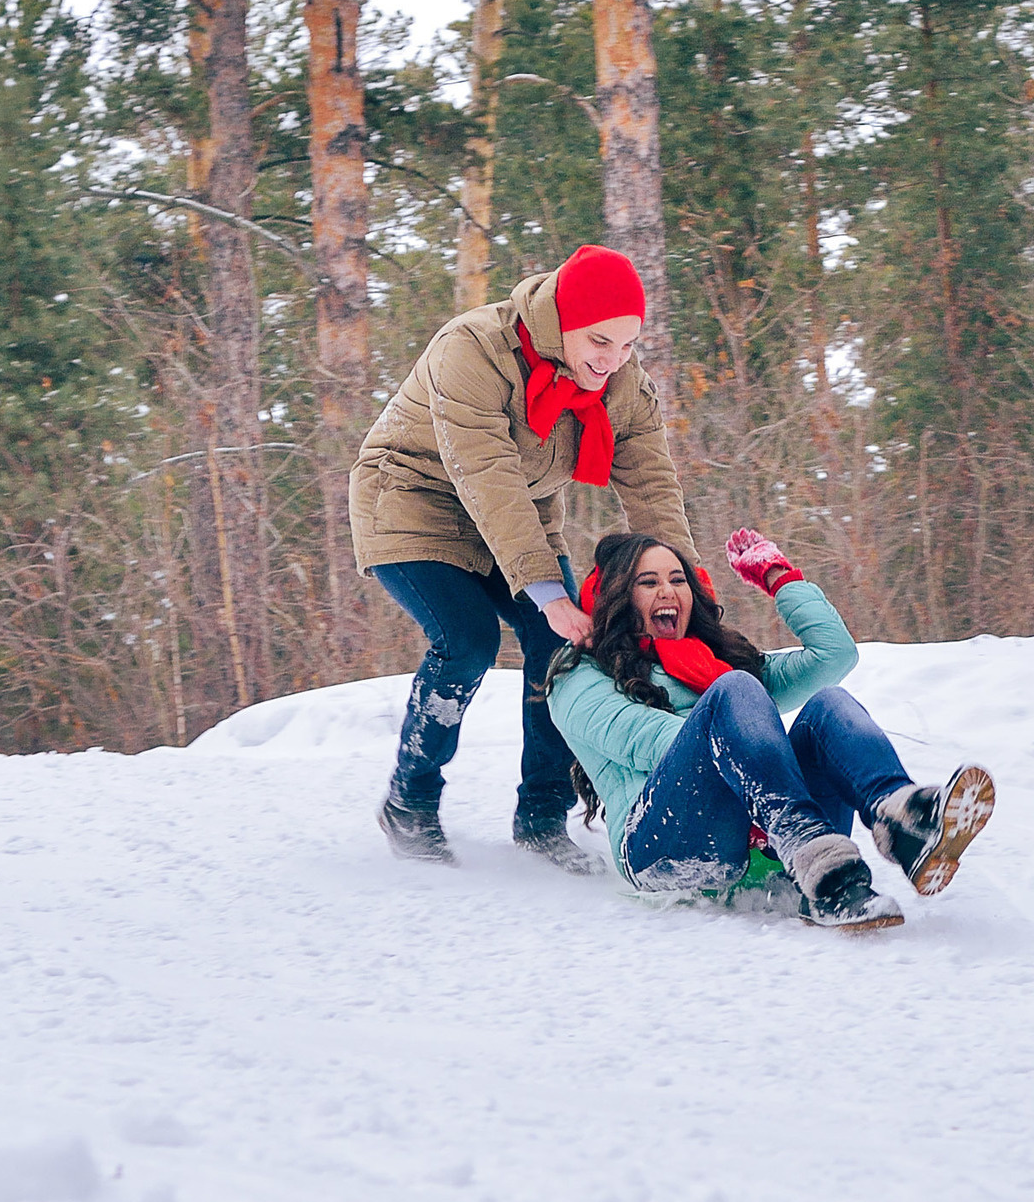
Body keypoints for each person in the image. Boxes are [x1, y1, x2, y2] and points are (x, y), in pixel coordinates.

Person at [351, 243, 702, 870]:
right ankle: (410, 799)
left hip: (517, 522)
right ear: (561, 320)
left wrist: (686, 586)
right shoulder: (471, 350)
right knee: (466, 640)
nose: (613, 361)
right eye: (599, 342)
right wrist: (547, 594)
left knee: (563, 653)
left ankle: (542, 817)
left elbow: (651, 486)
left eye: (627, 345)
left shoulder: (621, 384)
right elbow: (485, 473)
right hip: (412, 501)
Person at [548, 526, 997, 933]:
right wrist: (752, 764)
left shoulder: (717, 663)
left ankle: (902, 821)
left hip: (769, 842)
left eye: (678, 579)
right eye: (648, 583)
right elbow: (650, 743)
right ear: (616, 599)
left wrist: (780, 577)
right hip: (664, 849)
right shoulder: (580, 676)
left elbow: (833, 657)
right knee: (735, 691)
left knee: (827, 706)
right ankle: (823, 867)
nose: (668, 590)